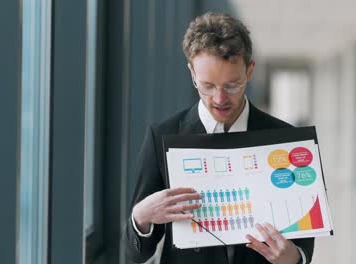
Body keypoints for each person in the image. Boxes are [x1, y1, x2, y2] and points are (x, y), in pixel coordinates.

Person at [124, 12, 314, 263]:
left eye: (232, 85)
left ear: (250, 71)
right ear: (192, 73)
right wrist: (141, 217)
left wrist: (294, 258)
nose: (220, 99)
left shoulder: (286, 140)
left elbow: (304, 246)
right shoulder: (161, 137)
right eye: (208, 86)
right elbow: (135, 254)